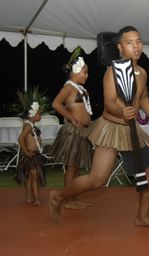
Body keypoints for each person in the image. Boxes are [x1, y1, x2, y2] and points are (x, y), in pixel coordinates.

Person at [49, 26, 149, 228]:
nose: (136, 46)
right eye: (130, 42)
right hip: (111, 127)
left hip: (132, 130)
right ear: (120, 47)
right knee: (97, 180)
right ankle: (58, 196)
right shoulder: (113, 72)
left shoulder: (142, 72)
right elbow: (110, 103)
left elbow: (143, 96)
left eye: (138, 41)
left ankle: (142, 216)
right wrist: (122, 112)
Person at [50, 48, 94, 210]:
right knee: (71, 167)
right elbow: (55, 104)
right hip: (73, 131)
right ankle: (67, 200)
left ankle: (74, 197)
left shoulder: (80, 88)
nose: (87, 75)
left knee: (76, 167)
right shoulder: (69, 87)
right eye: (85, 72)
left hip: (82, 131)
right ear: (75, 71)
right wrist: (72, 118)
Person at [15, 102, 46, 206]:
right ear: (32, 114)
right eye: (39, 113)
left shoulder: (31, 125)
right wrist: (26, 151)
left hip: (34, 155)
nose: (40, 115)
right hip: (31, 155)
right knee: (35, 176)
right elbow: (20, 139)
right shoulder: (28, 125)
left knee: (30, 177)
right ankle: (36, 199)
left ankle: (29, 198)